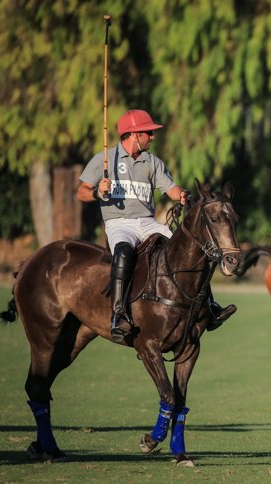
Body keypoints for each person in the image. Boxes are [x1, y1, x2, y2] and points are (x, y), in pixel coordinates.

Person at [77, 109, 235, 343]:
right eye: (148, 133)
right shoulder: (105, 159)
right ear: (134, 134)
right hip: (119, 222)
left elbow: (170, 188)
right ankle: (118, 315)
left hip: (147, 222)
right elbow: (81, 193)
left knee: (189, 247)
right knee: (124, 252)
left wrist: (181, 195)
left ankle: (209, 305)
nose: (152, 137)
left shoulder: (152, 162)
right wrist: (98, 192)